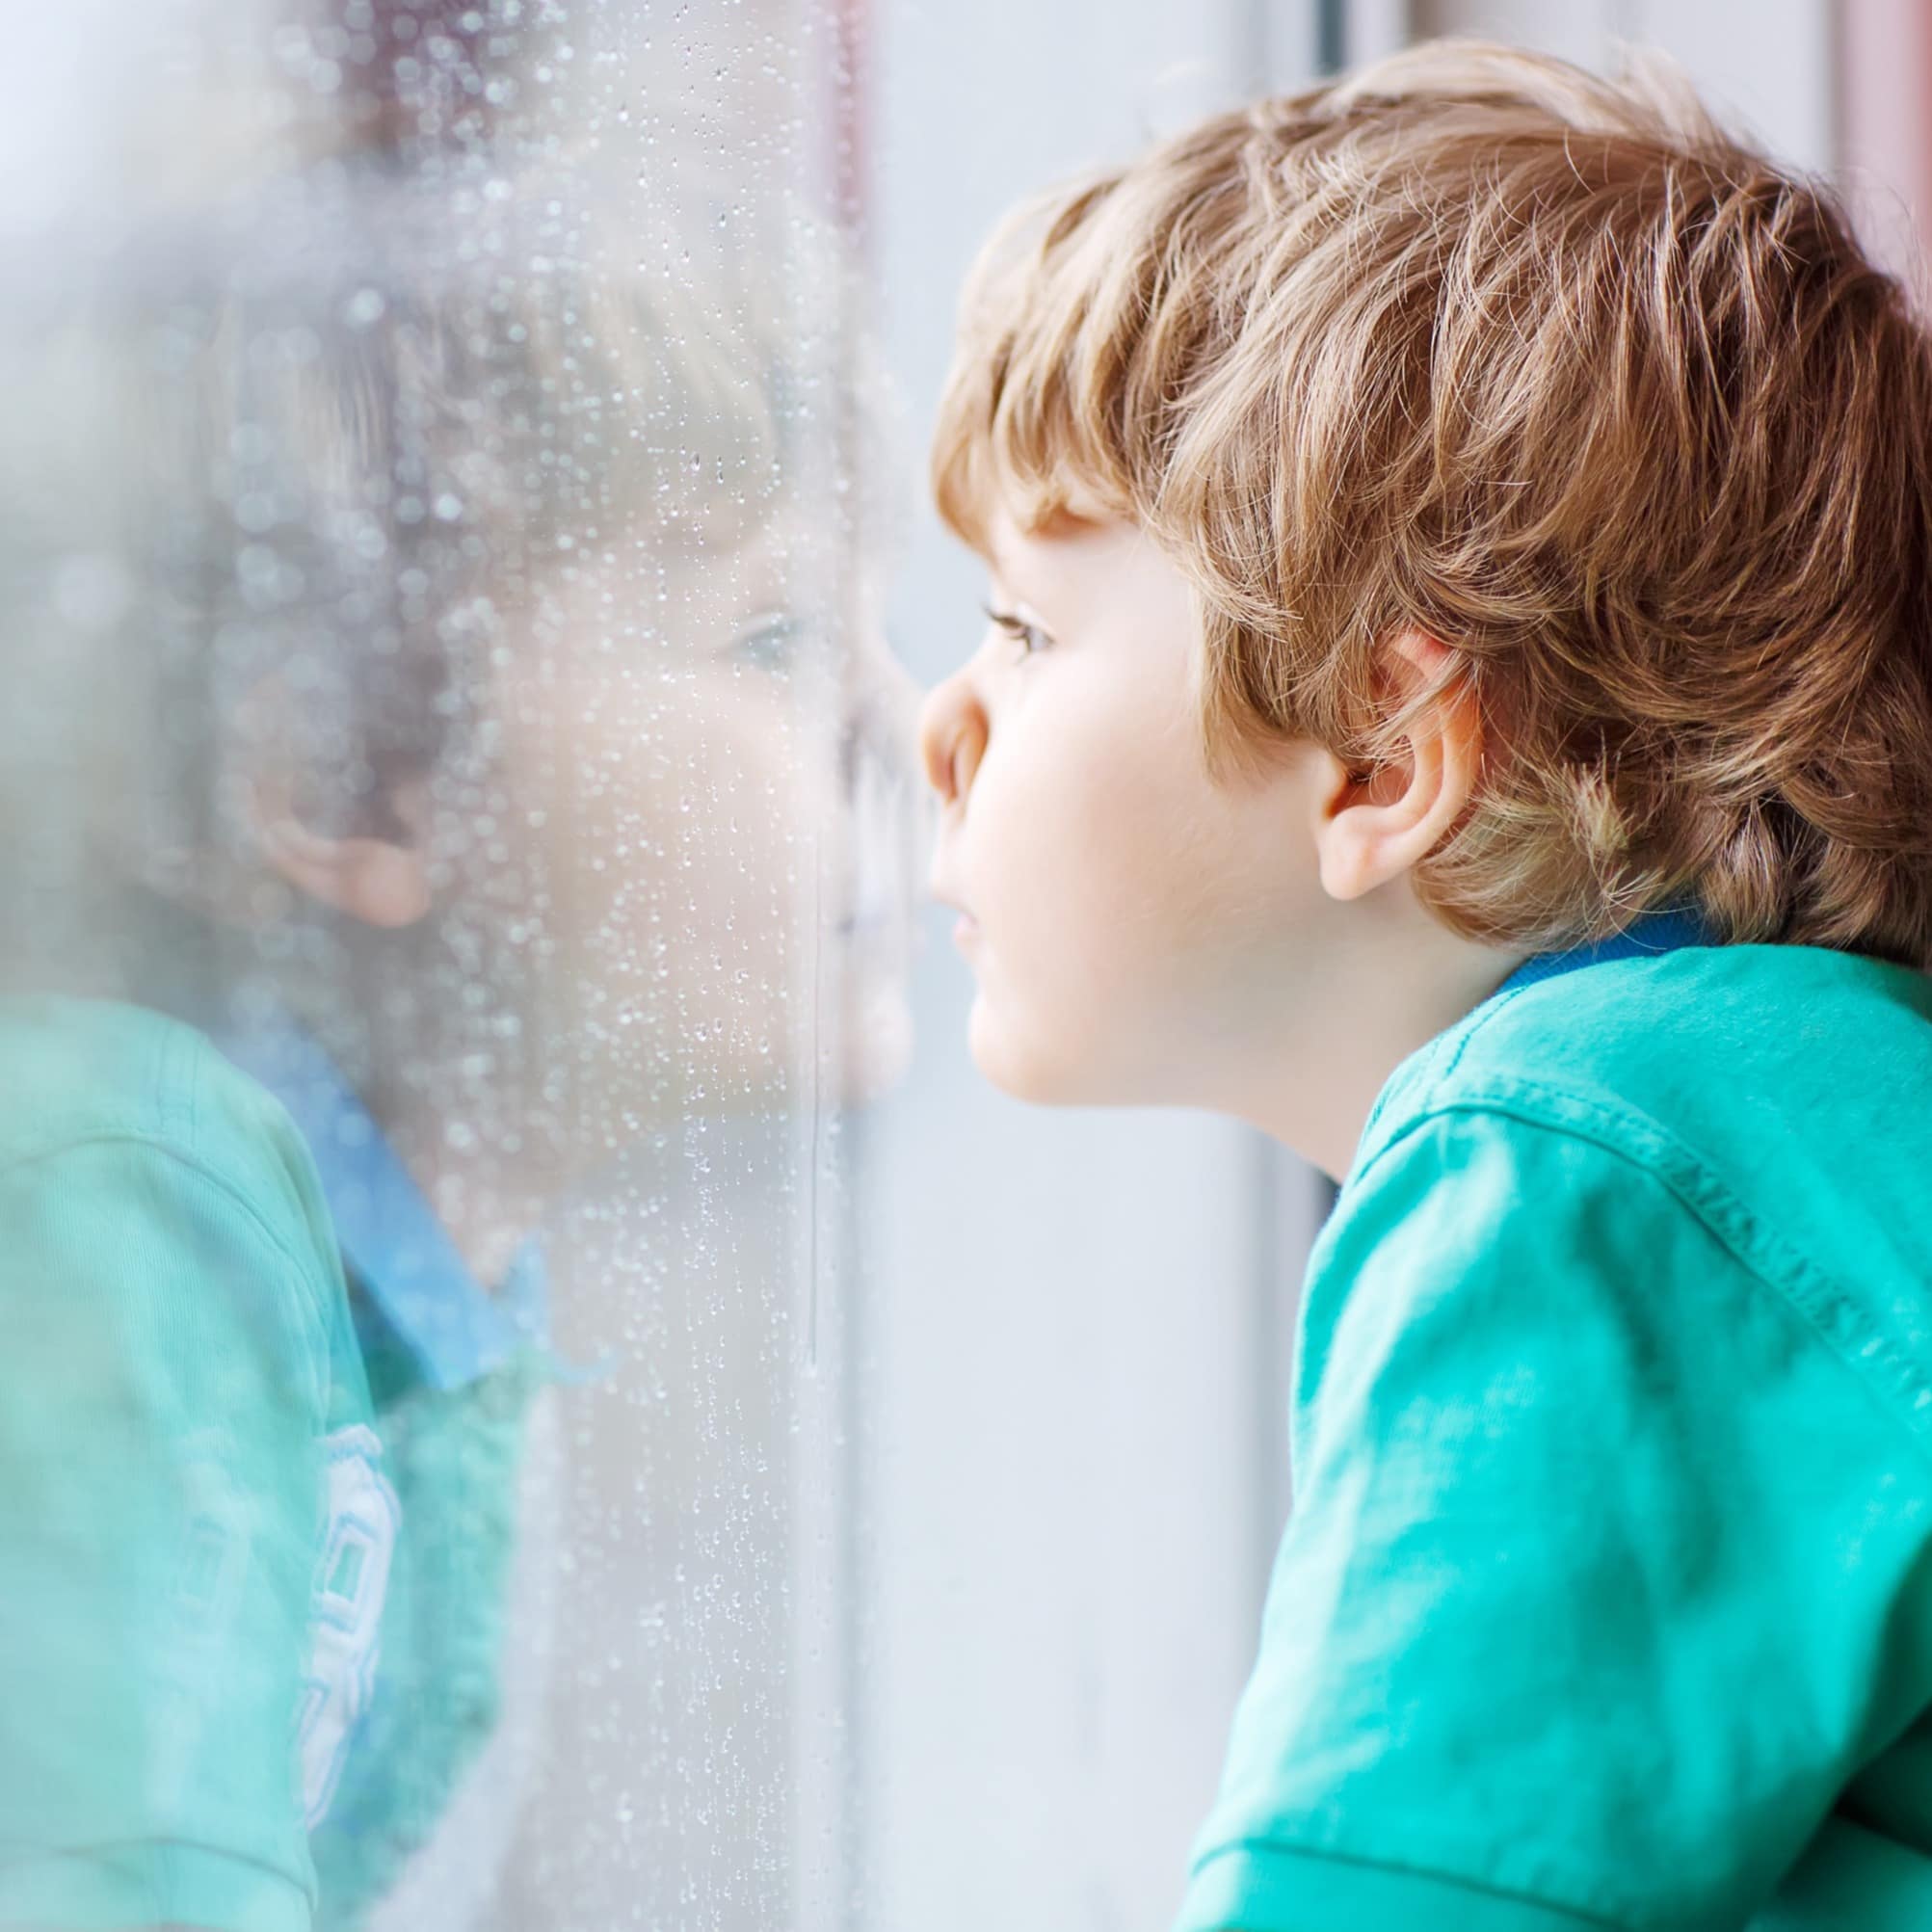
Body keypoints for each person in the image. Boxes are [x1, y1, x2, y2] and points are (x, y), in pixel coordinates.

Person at [916, 38, 1932, 1932]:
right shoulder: (1816, 1108)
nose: (939, 726)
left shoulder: (1579, 1164)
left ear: (1382, 755)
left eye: (1025, 629)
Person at [0, 66, 920, 1932]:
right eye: (772, 633)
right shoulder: (129, 1221)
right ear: (357, 783)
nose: (903, 727)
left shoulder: (426, 1294)